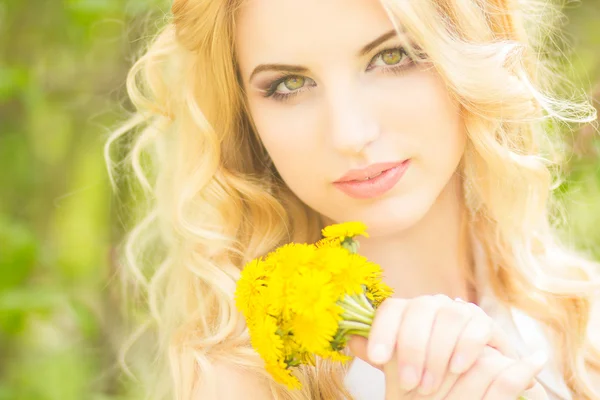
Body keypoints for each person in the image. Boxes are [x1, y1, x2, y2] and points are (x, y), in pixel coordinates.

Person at [105, 0, 600, 398]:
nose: (349, 133)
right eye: (290, 84)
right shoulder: (243, 380)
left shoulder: (582, 318)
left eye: (392, 56)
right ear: (245, 119)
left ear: (468, 49)